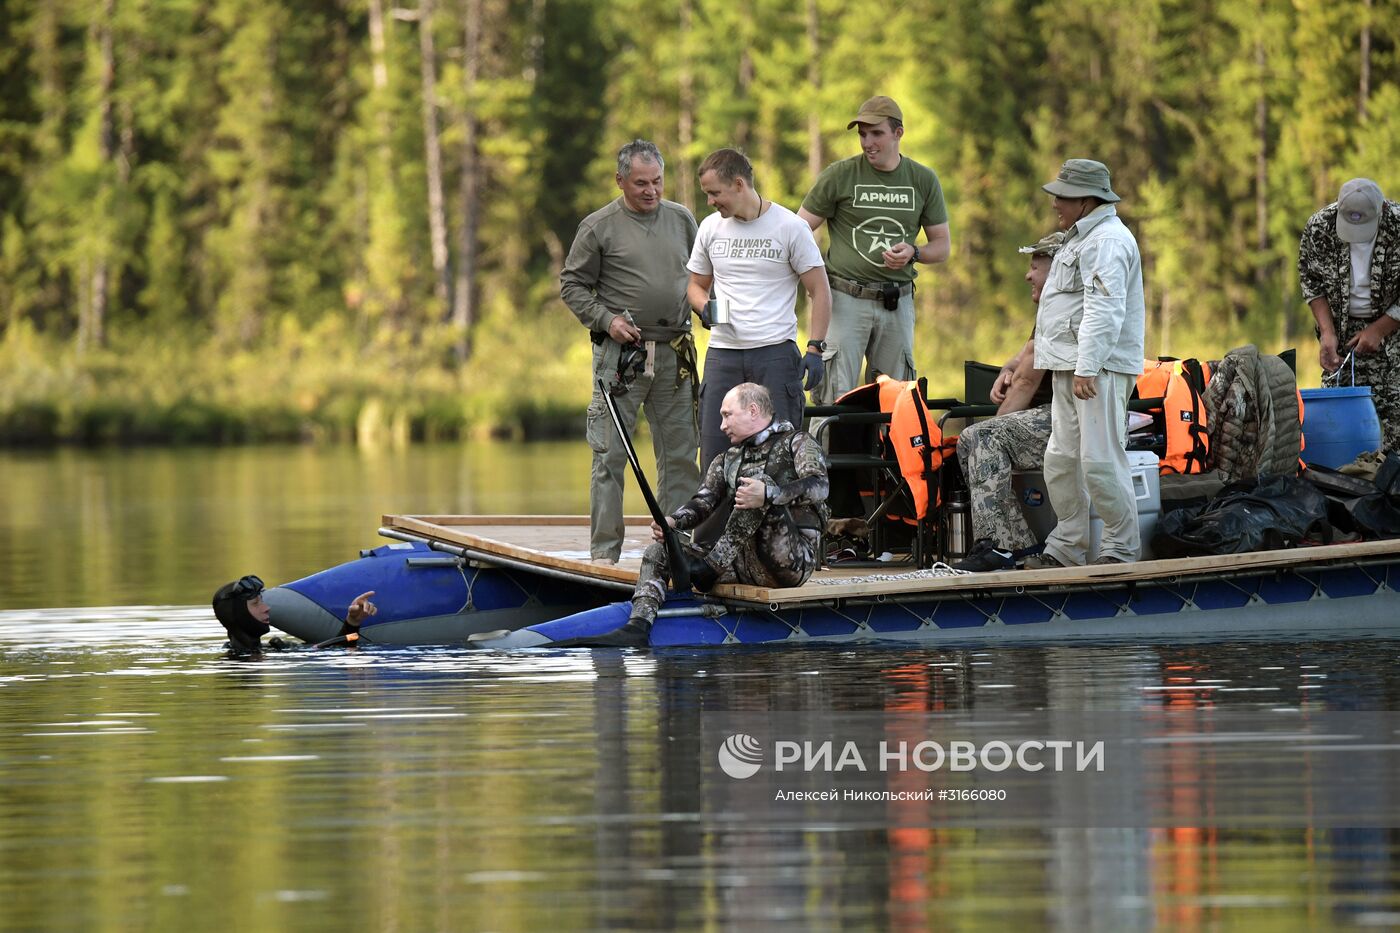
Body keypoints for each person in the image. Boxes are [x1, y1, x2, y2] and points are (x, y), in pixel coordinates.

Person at [585, 383, 829, 646]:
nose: (721, 425)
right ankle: (638, 625)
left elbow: (820, 486)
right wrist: (673, 521)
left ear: (753, 410)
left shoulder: (798, 442)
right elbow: (703, 501)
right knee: (659, 551)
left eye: (727, 415)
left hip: (790, 564)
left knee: (757, 483)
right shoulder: (727, 458)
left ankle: (709, 568)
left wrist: (770, 494)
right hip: (740, 564)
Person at [560, 140, 702, 563]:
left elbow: (702, 275)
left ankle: (678, 548)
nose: (651, 190)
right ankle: (605, 555)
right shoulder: (597, 227)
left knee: (680, 455)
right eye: (641, 183)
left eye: (657, 181)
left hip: (676, 353)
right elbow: (571, 285)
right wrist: (607, 320)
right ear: (620, 180)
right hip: (622, 359)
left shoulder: (682, 220)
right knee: (610, 456)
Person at [1024, 159, 1145, 569]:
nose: (1055, 202)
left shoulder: (1107, 240)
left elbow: (1104, 309)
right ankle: (1066, 546)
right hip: (1071, 367)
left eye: (1064, 195)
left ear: (1086, 199)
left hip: (1097, 369)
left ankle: (1120, 548)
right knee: (1061, 460)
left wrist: (1088, 366)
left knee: (1100, 460)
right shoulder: (1081, 238)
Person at [797, 95, 951, 405]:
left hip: (898, 302)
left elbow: (942, 247)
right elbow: (797, 230)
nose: (868, 142)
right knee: (835, 398)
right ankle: (828, 454)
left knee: (897, 400)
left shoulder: (922, 180)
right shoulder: (839, 175)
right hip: (844, 300)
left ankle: (892, 455)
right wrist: (811, 280)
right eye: (862, 134)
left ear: (898, 133)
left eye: (876, 133)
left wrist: (914, 252)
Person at [687, 148, 832, 469]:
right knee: (714, 456)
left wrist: (815, 348)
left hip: (775, 356)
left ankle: (781, 520)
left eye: (715, 193)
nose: (710, 201)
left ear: (739, 184)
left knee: (779, 456)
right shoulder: (710, 228)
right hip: (723, 355)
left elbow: (819, 290)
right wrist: (704, 308)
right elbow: (696, 286)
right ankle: (711, 521)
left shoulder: (791, 227)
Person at [953, 232, 1064, 572]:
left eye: (1035, 266)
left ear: (1057, 270)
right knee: (967, 440)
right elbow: (1026, 357)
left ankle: (998, 547)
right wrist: (1008, 367)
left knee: (984, 437)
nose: (1028, 275)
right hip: (1054, 415)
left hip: (1071, 414)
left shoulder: (1060, 306)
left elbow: (1028, 380)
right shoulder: (1052, 304)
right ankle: (1017, 545)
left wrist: (993, 425)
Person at [1299, 177, 1400, 454]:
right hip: (1342, 335)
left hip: (1394, 336)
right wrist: (1327, 332)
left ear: (1382, 211)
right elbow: (1311, 280)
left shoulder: (1398, 225)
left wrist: (1379, 330)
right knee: (1338, 421)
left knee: (1393, 427)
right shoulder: (1320, 226)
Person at [212, 575, 377, 654]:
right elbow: (339, 650)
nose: (266, 608)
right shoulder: (240, 659)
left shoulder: (273, 649)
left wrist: (353, 621)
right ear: (238, 615)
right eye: (256, 604)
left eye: (261, 601)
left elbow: (341, 648)